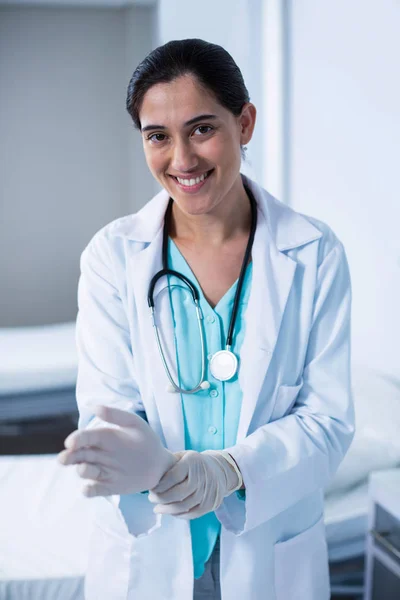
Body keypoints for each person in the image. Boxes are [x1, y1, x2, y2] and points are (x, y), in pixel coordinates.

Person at [57, 38, 355, 600]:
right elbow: (110, 406)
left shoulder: (314, 253)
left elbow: (328, 420)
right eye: (157, 137)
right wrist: (136, 459)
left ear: (244, 123)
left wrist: (229, 469)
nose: (182, 160)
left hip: (270, 543)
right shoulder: (113, 255)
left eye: (201, 129)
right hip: (152, 538)